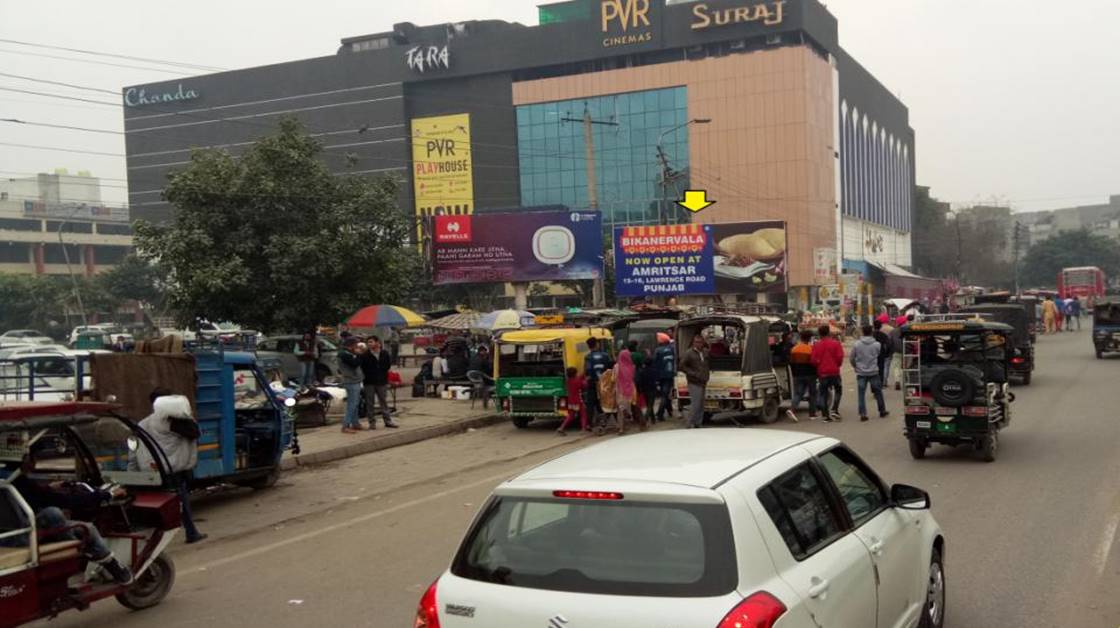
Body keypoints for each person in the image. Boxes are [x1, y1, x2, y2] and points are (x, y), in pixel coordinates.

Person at [5, 455, 133, 584]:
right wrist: (108, 494)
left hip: (9, 534)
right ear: (26, 460)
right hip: (22, 536)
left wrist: (50, 488)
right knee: (60, 517)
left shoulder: (8, 480)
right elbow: (67, 501)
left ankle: (109, 565)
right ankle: (79, 553)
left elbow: (36, 495)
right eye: (32, 458)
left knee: (83, 527)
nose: (35, 462)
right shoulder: (20, 482)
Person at [138, 389, 206, 543]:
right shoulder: (176, 422)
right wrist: (185, 414)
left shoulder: (144, 423)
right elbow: (195, 432)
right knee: (181, 502)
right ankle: (191, 533)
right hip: (173, 470)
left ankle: (153, 538)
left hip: (154, 470)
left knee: (158, 504)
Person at [851, 325, 889, 422]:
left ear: (863, 332)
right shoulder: (877, 344)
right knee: (878, 392)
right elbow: (878, 355)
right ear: (871, 332)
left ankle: (863, 414)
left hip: (861, 372)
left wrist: (856, 366)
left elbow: (852, 358)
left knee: (861, 394)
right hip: (873, 371)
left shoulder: (857, 344)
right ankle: (882, 410)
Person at [360, 337, 398, 429]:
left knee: (383, 401)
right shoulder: (365, 355)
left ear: (377, 343)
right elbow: (362, 367)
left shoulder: (384, 353)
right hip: (369, 381)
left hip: (381, 381)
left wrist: (381, 372)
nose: (369, 344)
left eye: (371, 342)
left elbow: (387, 365)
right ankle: (372, 423)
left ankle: (388, 421)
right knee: (370, 403)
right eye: (368, 342)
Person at [811, 324, 844, 422]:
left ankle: (825, 415)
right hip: (834, 371)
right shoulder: (836, 343)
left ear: (819, 334)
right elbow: (839, 358)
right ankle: (834, 409)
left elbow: (813, 360)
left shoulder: (816, 345)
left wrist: (819, 365)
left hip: (822, 373)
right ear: (829, 332)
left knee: (823, 393)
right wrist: (836, 365)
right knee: (838, 390)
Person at [785, 330, 817, 422]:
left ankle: (792, 409)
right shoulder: (811, 349)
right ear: (810, 338)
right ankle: (812, 414)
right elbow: (814, 362)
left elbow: (791, 363)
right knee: (812, 394)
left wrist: (795, 373)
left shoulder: (794, 349)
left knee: (798, 393)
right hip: (810, 375)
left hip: (797, 375)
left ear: (801, 338)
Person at [679, 334, 710, 429]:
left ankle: (698, 423)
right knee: (695, 404)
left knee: (701, 404)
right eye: (696, 342)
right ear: (693, 343)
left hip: (703, 380)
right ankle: (689, 423)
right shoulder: (689, 353)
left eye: (700, 342)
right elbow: (682, 366)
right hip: (694, 382)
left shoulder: (705, 352)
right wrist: (692, 373)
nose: (698, 344)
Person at [337, 337, 365, 433]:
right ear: (351, 345)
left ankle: (355, 423)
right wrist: (359, 355)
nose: (357, 347)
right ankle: (345, 425)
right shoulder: (344, 354)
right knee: (352, 404)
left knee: (355, 403)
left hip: (355, 380)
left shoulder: (349, 354)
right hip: (350, 381)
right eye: (355, 345)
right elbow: (354, 363)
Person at [583, 337, 613, 421]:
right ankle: (605, 420)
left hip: (592, 383)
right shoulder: (605, 355)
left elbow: (586, 370)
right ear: (596, 344)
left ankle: (589, 423)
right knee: (605, 401)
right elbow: (610, 367)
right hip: (605, 382)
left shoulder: (588, 357)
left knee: (591, 403)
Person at [614, 348, 640, 434]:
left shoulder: (616, 366)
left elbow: (613, 378)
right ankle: (637, 421)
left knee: (620, 409)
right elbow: (633, 377)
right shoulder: (632, 366)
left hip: (620, 389)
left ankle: (621, 428)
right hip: (630, 389)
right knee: (633, 406)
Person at [557, 367, 587, 435]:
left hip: (570, 401)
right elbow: (584, 385)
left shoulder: (568, 381)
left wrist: (581, 376)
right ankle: (583, 429)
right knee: (583, 414)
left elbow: (577, 379)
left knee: (571, 416)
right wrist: (585, 378)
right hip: (578, 401)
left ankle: (561, 427)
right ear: (575, 373)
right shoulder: (577, 381)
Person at [653, 332, 676, 422]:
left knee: (664, 395)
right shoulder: (672, 349)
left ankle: (660, 413)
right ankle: (669, 410)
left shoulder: (658, 350)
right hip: (670, 375)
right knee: (666, 394)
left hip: (661, 375)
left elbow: (654, 363)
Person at [873, 320, 894, 386]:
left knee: (873, 371)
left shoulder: (871, 334)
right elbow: (888, 344)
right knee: (881, 370)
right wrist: (887, 353)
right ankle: (880, 384)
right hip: (881, 354)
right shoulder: (883, 335)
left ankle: (873, 386)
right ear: (880, 326)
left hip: (872, 355)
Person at [889, 317, 906, 390]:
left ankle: (897, 381)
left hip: (896, 351)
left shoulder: (893, 331)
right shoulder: (908, 330)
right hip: (907, 351)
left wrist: (891, 351)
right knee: (908, 367)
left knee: (896, 367)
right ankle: (908, 381)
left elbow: (890, 342)